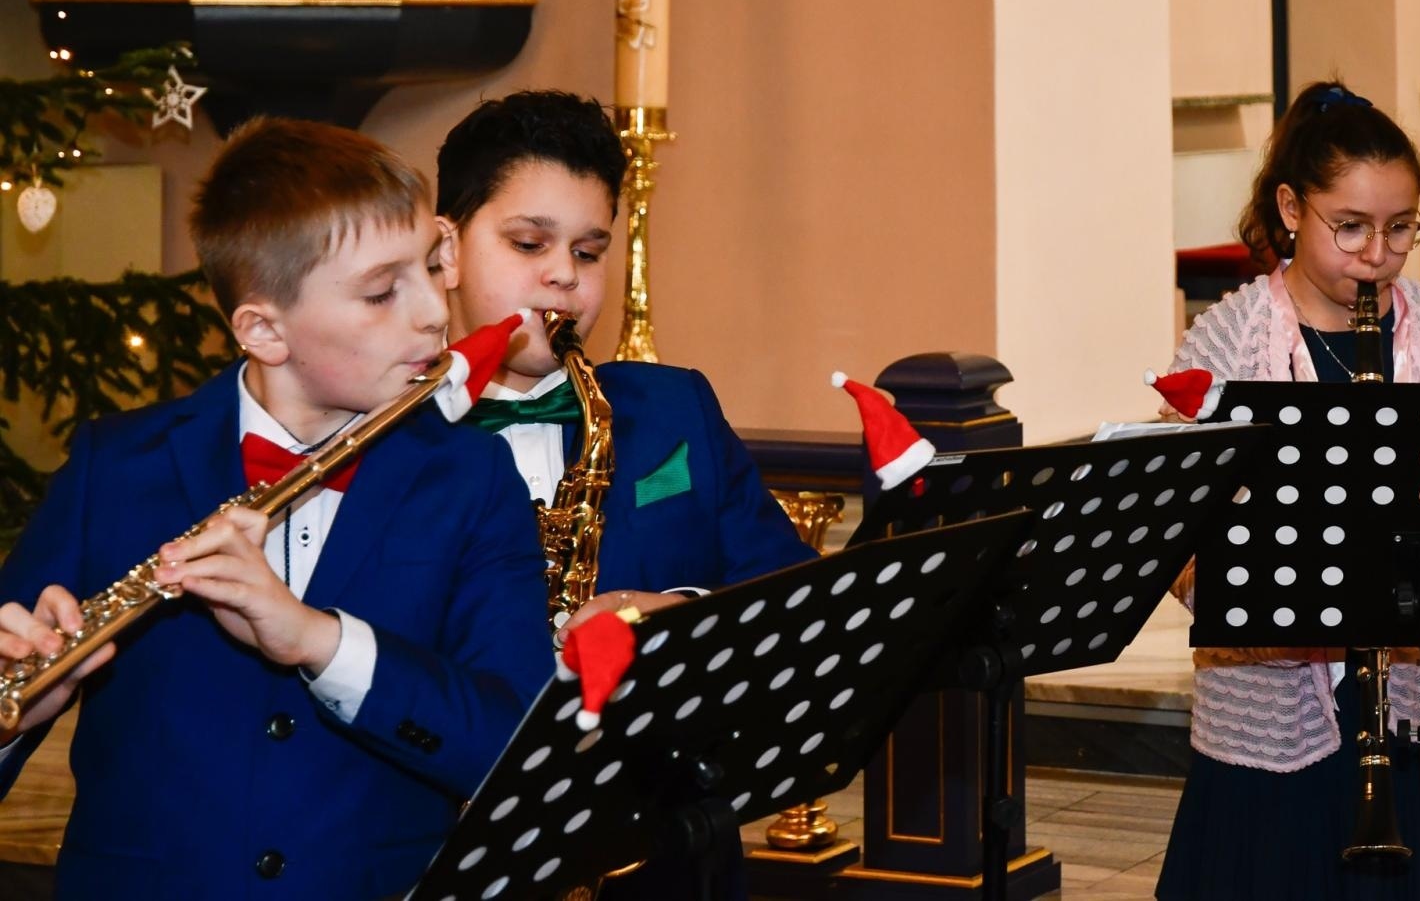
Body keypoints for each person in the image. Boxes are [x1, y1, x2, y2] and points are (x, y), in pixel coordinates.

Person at [0, 119, 551, 900]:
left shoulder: (471, 477)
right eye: (381, 290)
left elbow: (515, 742)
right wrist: (16, 711)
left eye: (432, 267)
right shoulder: (116, 468)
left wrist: (318, 642)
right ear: (263, 330)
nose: (434, 312)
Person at [434, 89, 816, 898]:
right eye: (528, 242)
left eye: (588, 250)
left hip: (667, 857)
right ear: (447, 250)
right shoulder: (391, 438)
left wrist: (668, 614)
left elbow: (792, 602)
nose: (562, 279)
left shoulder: (673, 409)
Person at [1154, 81, 1420, 900]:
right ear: (1291, 208)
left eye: (1400, 230)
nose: (1376, 254)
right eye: (1350, 227)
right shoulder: (1229, 340)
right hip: (1280, 706)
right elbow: (1178, 541)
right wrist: (1257, 592)